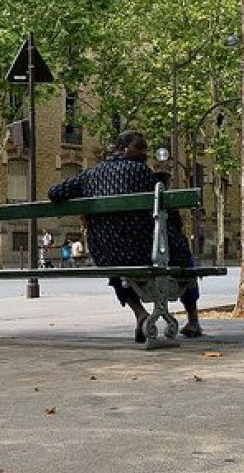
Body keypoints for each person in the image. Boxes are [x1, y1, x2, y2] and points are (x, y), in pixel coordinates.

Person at [47, 130, 202, 342]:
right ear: (123, 148)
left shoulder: (91, 174)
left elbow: (54, 192)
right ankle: (193, 320)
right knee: (185, 257)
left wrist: (85, 208)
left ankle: (139, 313)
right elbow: (170, 213)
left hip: (106, 253)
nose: (145, 152)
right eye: (139, 147)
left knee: (116, 267)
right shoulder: (142, 172)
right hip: (145, 249)